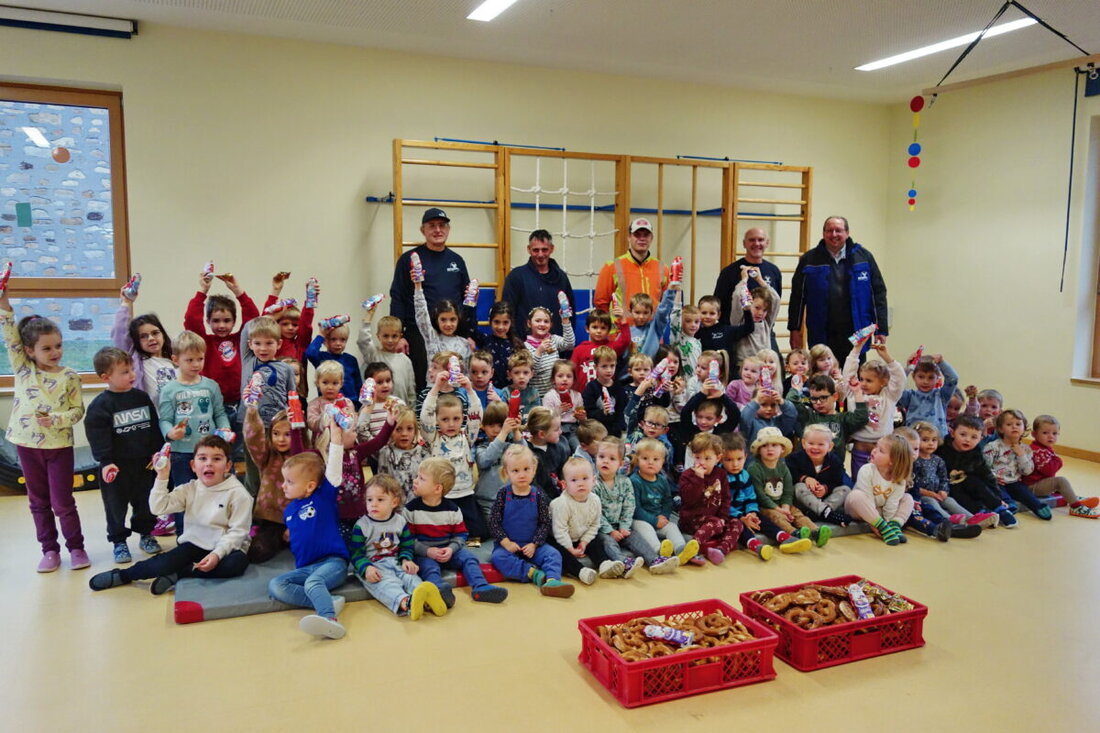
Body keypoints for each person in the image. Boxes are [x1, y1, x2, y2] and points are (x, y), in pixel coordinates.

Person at [89, 435, 252, 594]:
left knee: (236, 564)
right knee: (164, 563)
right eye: (202, 458)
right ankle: (123, 575)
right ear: (193, 465)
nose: (209, 464)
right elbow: (158, 507)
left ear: (228, 465)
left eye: (217, 459)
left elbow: (238, 532)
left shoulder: (239, 494)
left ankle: (183, 573)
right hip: (195, 544)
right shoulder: (190, 488)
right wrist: (162, 476)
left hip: (227, 548)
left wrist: (217, 554)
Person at [83, 347, 163, 564]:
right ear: (106, 377)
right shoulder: (100, 406)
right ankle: (119, 541)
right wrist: (106, 461)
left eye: (131, 370)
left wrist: (158, 451)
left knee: (146, 502)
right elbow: (97, 436)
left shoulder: (141, 398)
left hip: (144, 465)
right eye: (125, 372)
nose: (132, 375)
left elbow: (153, 428)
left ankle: (146, 534)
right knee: (115, 506)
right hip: (116, 469)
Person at [267, 435, 350, 640]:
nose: (283, 486)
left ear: (310, 486)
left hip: (333, 563)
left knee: (313, 583)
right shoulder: (289, 510)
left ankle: (329, 619)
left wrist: (336, 436)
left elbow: (334, 469)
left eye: (289, 482)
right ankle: (329, 601)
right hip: (305, 567)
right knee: (276, 585)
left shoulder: (322, 497)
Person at [405, 458, 508, 605]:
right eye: (417, 477)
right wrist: (427, 551)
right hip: (425, 554)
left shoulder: (453, 509)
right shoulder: (410, 510)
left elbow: (461, 535)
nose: (415, 481)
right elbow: (408, 540)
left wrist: (451, 549)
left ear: (437, 488)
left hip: (448, 549)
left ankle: (481, 587)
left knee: (469, 558)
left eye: (421, 478)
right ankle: (440, 590)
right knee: (429, 568)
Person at [389, 208, 473, 390]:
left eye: (442, 226)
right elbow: (397, 296)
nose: (437, 230)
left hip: (452, 333)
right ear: (423, 230)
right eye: (432, 226)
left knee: (454, 380)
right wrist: (399, 335)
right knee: (424, 380)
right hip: (419, 333)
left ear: (448, 230)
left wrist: (468, 335)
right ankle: (423, 417)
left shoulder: (457, 261)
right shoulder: (409, 259)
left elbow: (466, 300)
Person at [788, 216, 888, 364]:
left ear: (847, 233)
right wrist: (794, 330)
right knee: (823, 381)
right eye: (829, 231)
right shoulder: (809, 260)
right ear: (823, 233)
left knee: (854, 381)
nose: (834, 234)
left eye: (838, 230)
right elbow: (797, 297)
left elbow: (878, 294)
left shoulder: (864, 258)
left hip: (856, 332)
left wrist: (881, 330)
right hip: (822, 332)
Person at [349, 474, 447, 620]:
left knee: (412, 578)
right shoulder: (361, 526)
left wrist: (407, 560)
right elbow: (356, 553)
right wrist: (367, 568)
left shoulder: (400, 521)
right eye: (370, 500)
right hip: (374, 566)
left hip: (396, 561)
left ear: (394, 502)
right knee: (387, 585)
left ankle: (426, 598)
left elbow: (407, 545)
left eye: (380, 500)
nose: (373, 504)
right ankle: (405, 602)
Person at [488, 445, 575, 597]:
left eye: (526, 469)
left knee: (554, 555)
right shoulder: (503, 494)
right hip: (508, 546)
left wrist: (535, 544)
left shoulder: (538, 495)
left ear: (534, 469)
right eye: (515, 471)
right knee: (498, 558)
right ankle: (533, 574)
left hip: (532, 545)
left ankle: (552, 581)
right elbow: (494, 522)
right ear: (506, 473)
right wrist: (506, 542)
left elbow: (544, 523)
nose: (522, 475)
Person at [158, 331, 230, 488]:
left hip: (209, 451)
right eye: (189, 360)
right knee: (184, 494)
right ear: (175, 360)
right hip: (181, 453)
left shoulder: (211, 386)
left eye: (200, 359)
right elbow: (165, 420)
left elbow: (219, 413)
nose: (196, 364)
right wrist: (170, 433)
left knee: (212, 491)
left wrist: (225, 428)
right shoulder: (169, 390)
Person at [548, 457, 627, 584]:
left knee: (596, 541)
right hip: (559, 538)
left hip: (580, 535)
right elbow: (559, 531)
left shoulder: (595, 500)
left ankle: (604, 564)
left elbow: (594, 525)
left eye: (585, 478)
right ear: (564, 485)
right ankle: (580, 571)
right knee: (559, 552)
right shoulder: (561, 504)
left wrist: (584, 542)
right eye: (574, 480)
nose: (580, 483)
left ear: (593, 480)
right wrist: (570, 549)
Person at [677, 433, 741, 565]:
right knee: (715, 523)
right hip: (692, 519)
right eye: (698, 457)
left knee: (737, 524)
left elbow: (725, 498)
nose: (702, 462)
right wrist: (698, 479)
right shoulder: (687, 476)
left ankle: (721, 550)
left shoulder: (721, 474)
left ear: (718, 458)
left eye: (707, 458)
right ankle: (693, 548)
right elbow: (689, 500)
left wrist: (723, 517)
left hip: (715, 519)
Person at [500, 230, 577, 338]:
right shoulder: (516, 276)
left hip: (555, 346)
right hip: (525, 346)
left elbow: (570, 313)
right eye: (536, 250)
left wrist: (567, 342)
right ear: (528, 249)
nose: (540, 254)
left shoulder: (561, 278)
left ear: (552, 249)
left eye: (544, 249)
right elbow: (507, 312)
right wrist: (515, 344)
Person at [593, 217, 668, 326]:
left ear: (651, 238)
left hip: (652, 333)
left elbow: (667, 304)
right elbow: (601, 304)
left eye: (646, 235)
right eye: (637, 234)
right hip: (621, 333)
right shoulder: (611, 267)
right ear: (629, 237)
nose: (642, 239)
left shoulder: (663, 268)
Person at [844, 434, 914, 546]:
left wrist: (888, 520)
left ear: (892, 461)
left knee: (908, 499)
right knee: (856, 495)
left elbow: (892, 503)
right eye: (876, 447)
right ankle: (883, 526)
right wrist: (875, 524)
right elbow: (867, 498)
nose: (874, 451)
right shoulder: (866, 470)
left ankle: (893, 525)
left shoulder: (900, 479)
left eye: (880, 450)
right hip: (860, 510)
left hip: (880, 511)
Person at [1024, 415, 1098, 518]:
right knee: (1061, 481)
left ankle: (1070, 496)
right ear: (1034, 434)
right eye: (1045, 433)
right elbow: (1049, 470)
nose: (1051, 436)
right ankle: (1076, 507)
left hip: (1037, 483)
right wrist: (1058, 460)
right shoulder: (1038, 451)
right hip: (1032, 487)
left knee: (1058, 482)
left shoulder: (1044, 448)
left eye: (1054, 433)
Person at [714, 227, 783, 330]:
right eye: (751, 240)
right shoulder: (729, 272)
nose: (756, 243)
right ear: (744, 244)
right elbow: (718, 305)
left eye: (760, 240)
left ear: (767, 243)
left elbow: (775, 301)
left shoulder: (773, 271)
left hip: (763, 330)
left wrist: (760, 281)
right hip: (735, 331)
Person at [357, 305, 416, 407]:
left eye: (394, 336)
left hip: (401, 412)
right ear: (378, 336)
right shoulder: (374, 355)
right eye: (385, 336)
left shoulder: (405, 360)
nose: (390, 340)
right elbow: (363, 341)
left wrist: (411, 411)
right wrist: (369, 315)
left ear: (400, 336)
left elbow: (411, 390)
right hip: (379, 411)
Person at [305, 319, 362, 410]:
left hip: (350, 404)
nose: (338, 343)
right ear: (325, 341)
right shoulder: (321, 358)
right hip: (328, 406)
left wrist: (359, 406)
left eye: (342, 340)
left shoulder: (351, 360)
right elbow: (310, 353)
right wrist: (321, 335)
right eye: (333, 339)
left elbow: (358, 384)